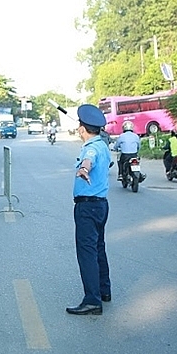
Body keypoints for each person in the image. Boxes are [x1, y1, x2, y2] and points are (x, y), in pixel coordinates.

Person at [66, 104, 112, 316]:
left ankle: (92, 300)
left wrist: (84, 168)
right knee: (98, 248)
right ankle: (104, 290)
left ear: (82, 129)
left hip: (88, 206)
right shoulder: (104, 145)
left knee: (87, 252)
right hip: (101, 205)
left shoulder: (92, 148)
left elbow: (89, 159)